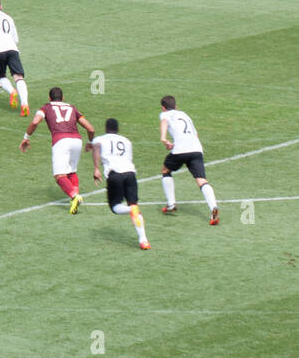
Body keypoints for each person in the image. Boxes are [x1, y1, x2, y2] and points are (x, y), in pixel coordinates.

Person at [21, 86, 97, 214]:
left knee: (59, 175)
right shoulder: (72, 108)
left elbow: (34, 122)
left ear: (50, 98)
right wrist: (90, 142)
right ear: (63, 98)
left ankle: (74, 196)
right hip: (77, 141)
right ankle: (74, 199)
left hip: (61, 141)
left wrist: (26, 137)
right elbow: (91, 129)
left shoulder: (46, 107)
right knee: (72, 171)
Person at [91, 119, 152, 250]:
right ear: (118, 129)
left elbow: (96, 147)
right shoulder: (127, 141)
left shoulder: (100, 139)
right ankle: (144, 240)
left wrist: (96, 168)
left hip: (115, 175)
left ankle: (131, 210)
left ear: (106, 128)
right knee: (134, 205)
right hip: (130, 173)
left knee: (115, 207)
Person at [158, 96, 219, 224]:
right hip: (196, 149)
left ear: (163, 108)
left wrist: (164, 138)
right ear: (176, 106)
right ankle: (213, 207)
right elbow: (195, 134)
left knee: (165, 170)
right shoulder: (185, 115)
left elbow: (164, 122)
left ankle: (171, 204)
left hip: (180, 150)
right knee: (201, 180)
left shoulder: (165, 115)